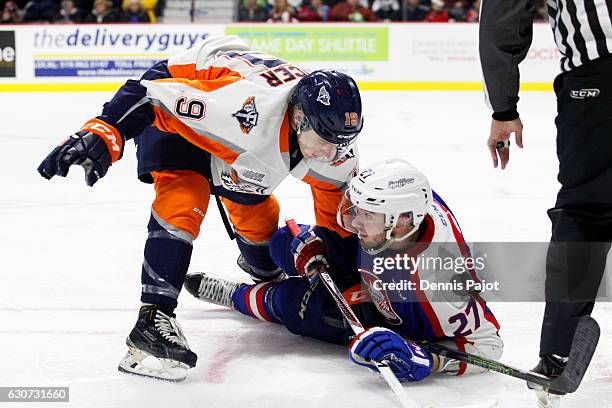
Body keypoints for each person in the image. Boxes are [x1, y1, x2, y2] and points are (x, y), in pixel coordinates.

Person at [37, 36, 363, 381]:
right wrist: (104, 133)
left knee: (253, 208)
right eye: (324, 141)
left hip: (243, 116)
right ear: (299, 118)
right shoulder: (242, 111)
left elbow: (338, 226)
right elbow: (148, 95)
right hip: (189, 92)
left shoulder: (335, 147)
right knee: (184, 197)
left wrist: (346, 280)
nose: (331, 154)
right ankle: (153, 319)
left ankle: (264, 278)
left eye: (340, 143)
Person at [185, 158, 503, 382]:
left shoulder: (443, 281)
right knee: (286, 242)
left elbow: (489, 345)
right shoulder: (401, 210)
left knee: (297, 304)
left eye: (367, 215)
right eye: (357, 210)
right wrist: (319, 246)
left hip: (386, 317)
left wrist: (428, 359)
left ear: (403, 221)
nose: (354, 222)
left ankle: (239, 295)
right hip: (376, 263)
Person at [479, 1, 611, 406]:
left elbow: (502, 19)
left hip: (597, 80)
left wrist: (503, 106)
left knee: (584, 216)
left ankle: (559, 352)